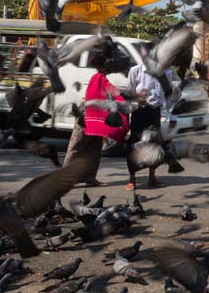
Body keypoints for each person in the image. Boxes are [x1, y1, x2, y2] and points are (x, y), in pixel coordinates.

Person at [63, 52, 129, 185]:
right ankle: (63, 180)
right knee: (76, 148)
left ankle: (89, 177)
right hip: (87, 119)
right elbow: (112, 91)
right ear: (102, 66)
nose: (110, 66)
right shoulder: (99, 78)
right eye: (108, 64)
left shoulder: (99, 77)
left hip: (95, 120)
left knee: (93, 150)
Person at [124, 57, 171, 190]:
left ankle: (152, 177)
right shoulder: (135, 71)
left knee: (155, 145)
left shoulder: (165, 73)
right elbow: (129, 93)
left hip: (155, 112)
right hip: (139, 111)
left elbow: (168, 94)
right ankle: (132, 179)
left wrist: (168, 109)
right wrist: (138, 95)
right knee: (134, 144)